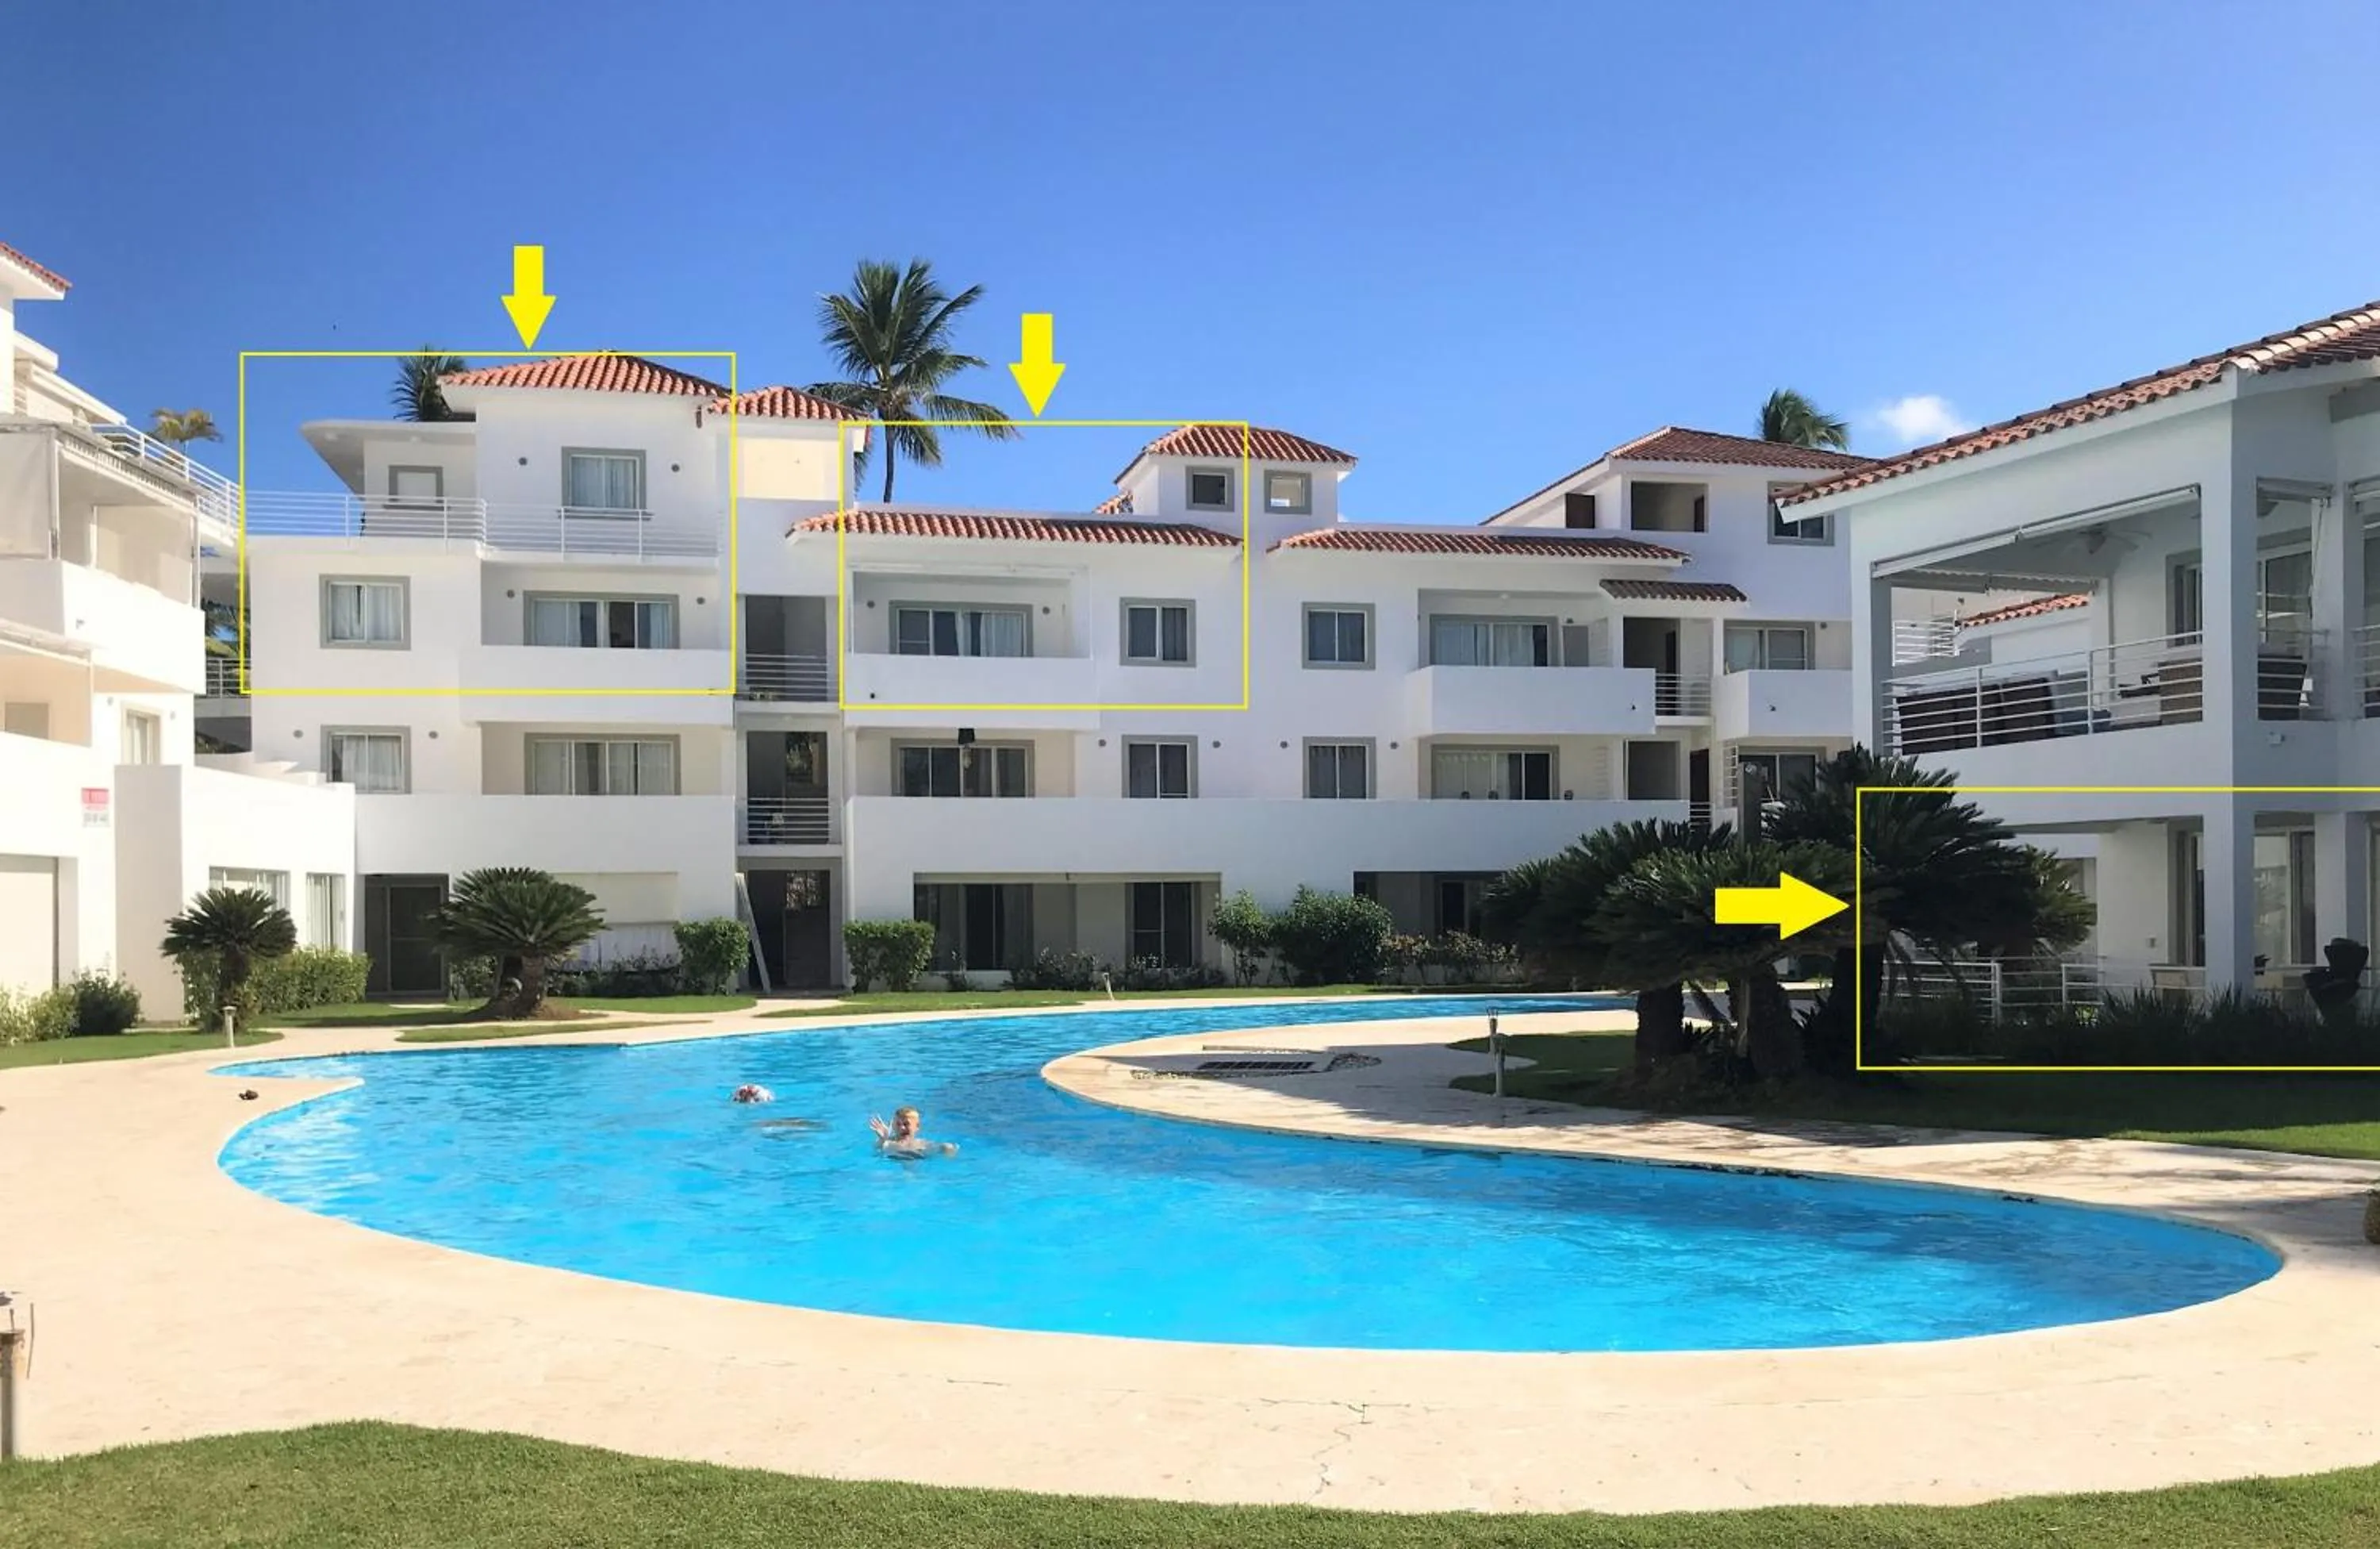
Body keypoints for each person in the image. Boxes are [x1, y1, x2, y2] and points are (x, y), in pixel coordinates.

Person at [869, 1105, 958, 1158]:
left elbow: (943, 1148)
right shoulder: (889, 1143)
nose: (902, 1128)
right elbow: (878, 1151)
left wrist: (948, 1148)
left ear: (917, 1127)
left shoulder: (922, 1144)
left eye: (906, 1124)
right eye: (898, 1124)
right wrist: (882, 1139)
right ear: (893, 1126)